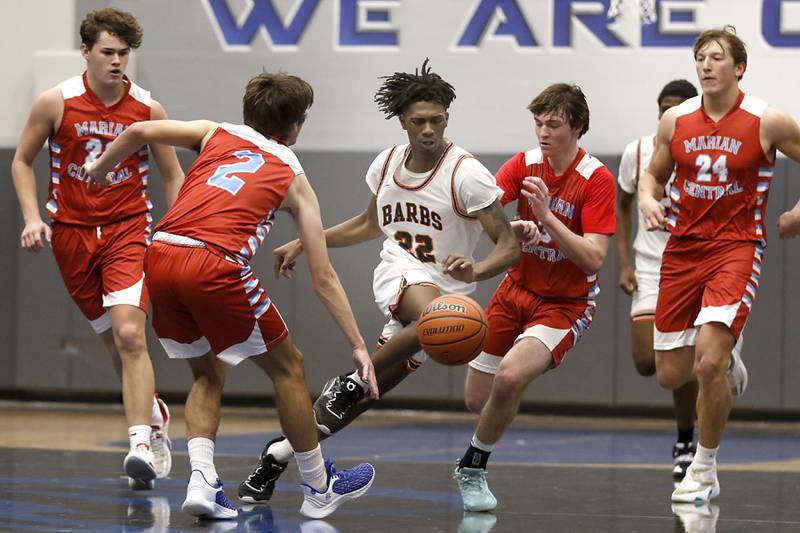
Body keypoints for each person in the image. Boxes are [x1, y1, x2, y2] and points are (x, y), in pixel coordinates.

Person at [84, 71, 377, 520]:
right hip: (213, 263)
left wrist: (99, 169)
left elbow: (140, 130)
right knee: (290, 368)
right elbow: (323, 277)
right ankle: (320, 485)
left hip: (159, 254)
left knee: (207, 374)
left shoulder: (213, 132)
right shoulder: (293, 177)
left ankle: (202, 480)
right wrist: (358, 344)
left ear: (248, 110)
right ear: (297, 124)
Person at [238, 59, 527, 503]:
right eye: (419, 122)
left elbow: (508, 246)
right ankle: (353, 379)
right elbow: (368, 225)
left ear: (447, 118)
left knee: (361, 400)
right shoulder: (387, 163)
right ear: (402, 122)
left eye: (437, 121)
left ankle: (275, 458)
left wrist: (477, 269)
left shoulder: (466, 175)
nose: (428, 130)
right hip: (402, 273)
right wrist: (306, 241)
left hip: (446, 295)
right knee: (421, 328)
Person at [10, 7, 181, 489]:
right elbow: (22, 162)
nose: (116, 61)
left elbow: (171, 174)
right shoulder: (55, 102)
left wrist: (176, 230)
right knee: (113, 343)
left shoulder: (148, 109)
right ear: (85, 52)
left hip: (129, 229)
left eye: (124, 54)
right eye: (107, 52)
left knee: (130, 335)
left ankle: (141, 444)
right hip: (72, 236)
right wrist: (31, 218)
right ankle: (153, 412)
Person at [638, 25, 800, 503]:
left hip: (736, 247)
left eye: (715, 58)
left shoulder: (766, 120)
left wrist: (796, 212)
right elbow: (653, 175)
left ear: (739, 68)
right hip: (682, 249)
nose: (705, 66)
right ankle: (727, 356)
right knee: (670, 373)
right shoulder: (676, 120)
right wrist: (649, 199)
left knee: (708, 362)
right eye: (700, 59)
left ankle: (704, 470)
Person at [453, 83, 617, 512]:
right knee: (477, 398)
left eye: (555, 125)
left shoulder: (595, 179)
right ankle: (487, 436)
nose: (544, 133)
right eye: (539, 123)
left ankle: (472, 466)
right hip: (515, 291)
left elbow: (594, 258)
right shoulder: (523, 165)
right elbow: (480, 215)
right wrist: (510, 228)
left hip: (564, 304)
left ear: (577, 127)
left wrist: (546, 218)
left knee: (509, 377)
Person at [616, 79, 701, 485]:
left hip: (696, 265)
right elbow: (622, 204)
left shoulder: (708, 152)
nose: (669, 116)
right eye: (663, 109)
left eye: (678, 109)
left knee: (682, 361)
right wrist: (623, 263)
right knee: (647, 362)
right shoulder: (638, 152)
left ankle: (686, 440)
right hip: (651, 266)